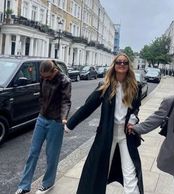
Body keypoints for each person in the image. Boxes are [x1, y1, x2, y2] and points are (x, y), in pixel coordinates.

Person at [65, 53, 144, 194]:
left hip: (127, 135)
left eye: (125, 62)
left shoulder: (134, 87)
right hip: (107, 134)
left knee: (131, 172)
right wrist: (70, 124)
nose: (122, 64)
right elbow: (87, 107)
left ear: (128, 66)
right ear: (114, 65)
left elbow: (136, 107)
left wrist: (133, 119)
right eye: (119, 62)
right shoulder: (105, 86)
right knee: (98, 172)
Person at [15, 60, 71, 194]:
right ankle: (24, 186)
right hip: (42, 118)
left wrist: (64, 118)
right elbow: (41, 96)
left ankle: (48, 183)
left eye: (47, 77)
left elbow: (66, 101)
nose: (45, 79)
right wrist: (41, 109)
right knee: (33, 152)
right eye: (43, 77)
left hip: (56, 122)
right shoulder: (44, 78)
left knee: (51, 155)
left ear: (54, 71)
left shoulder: (65, 81)